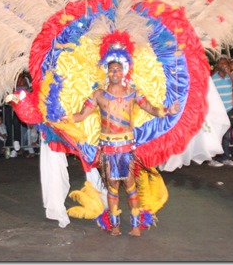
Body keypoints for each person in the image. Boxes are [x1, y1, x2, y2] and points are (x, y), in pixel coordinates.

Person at [70, 60, 180, 237]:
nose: (115, 73)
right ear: (107, 72)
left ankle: (135, 226)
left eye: (118, 70)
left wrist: (168, 111)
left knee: (130, 186)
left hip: (126, 148)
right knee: (112, 188)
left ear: (123, 72)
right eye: (112, 70)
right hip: (107, 149)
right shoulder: (98, 94)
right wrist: (62, 118)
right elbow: (82, 115)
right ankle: (115, 226)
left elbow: (150, 108)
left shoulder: (132, 93)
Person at [210, 56, 233, 167]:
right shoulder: (213, 78)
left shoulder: (230, 77)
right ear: (218, 65)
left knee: (226, 135)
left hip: (228, 109)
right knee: (216, 135)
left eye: (225, 64)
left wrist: (230, 74)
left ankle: (226, 158)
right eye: (221, 63)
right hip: (217, 111)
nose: (224, 65)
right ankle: (212, 159)